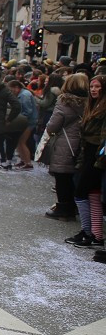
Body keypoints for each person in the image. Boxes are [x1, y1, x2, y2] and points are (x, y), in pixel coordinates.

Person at [65, 75, 106, 248]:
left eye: (97, 87)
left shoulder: (103, 109)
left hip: (97, 156)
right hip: (89, 154)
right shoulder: (92, 106)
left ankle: (89, 232)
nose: (94, 89)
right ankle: (94, 234)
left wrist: (99, 161)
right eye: (92, 87)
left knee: (81, 193)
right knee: (93, 194)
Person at [43, 73, 86, 221]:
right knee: (75, 176)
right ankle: (74, 206)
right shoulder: (91, 102)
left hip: (65, 142)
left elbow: (53, 125)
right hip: (83, 142)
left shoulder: (64, 101)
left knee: (62, 176)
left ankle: (63, 208)